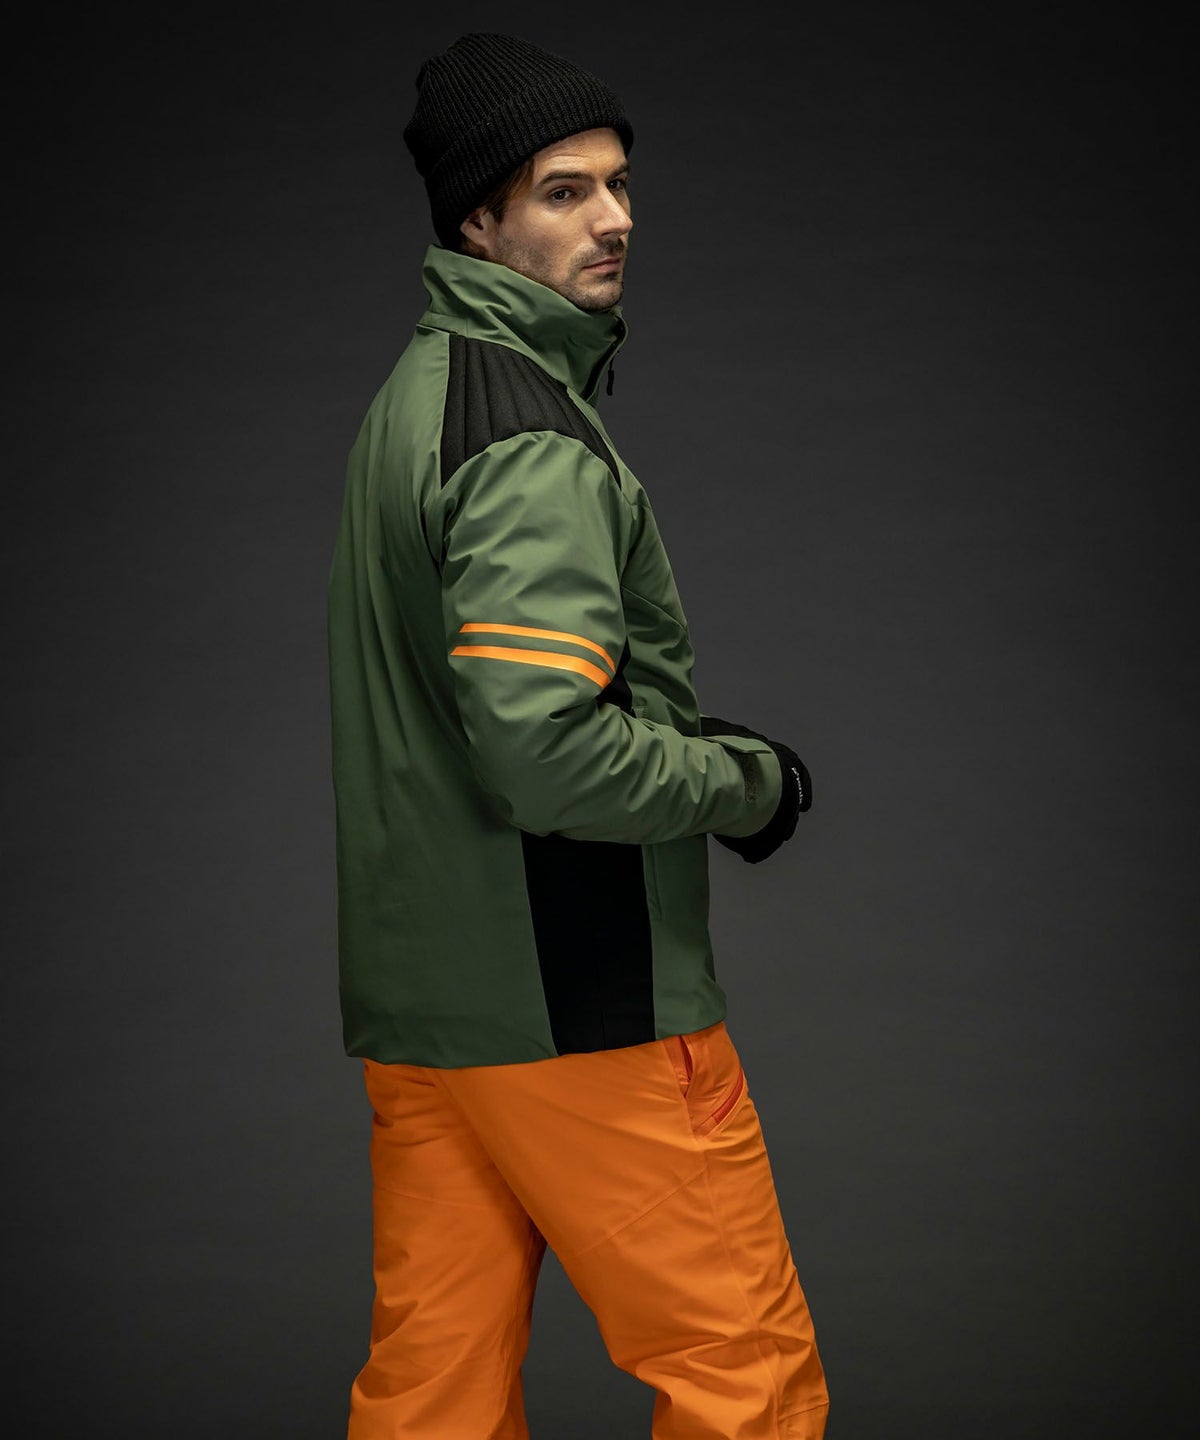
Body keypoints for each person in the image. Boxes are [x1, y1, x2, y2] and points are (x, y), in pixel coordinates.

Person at [327, 30, 830, 1440]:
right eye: (563, 191)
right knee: (746, 1385)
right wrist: (744, 783)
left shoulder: (413, 405)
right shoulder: (528, 437)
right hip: (575, 1008)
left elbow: (479, 712)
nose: (614, 218)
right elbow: (544, 754)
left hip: (432, 1016)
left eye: (617, 183)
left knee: (431, 1400)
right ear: (476, 222)